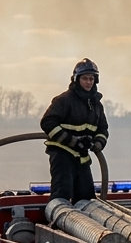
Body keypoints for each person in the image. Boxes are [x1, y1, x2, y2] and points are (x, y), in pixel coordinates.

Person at [40, 57, 109, 203]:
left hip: (82, 157)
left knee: (86, 197)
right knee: (62, 194)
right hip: (62, 155)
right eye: (85, 78)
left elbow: (103, 129)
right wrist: (72, 141)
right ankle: (57, 221)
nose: (89, 82)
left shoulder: (96, 105)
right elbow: (48, 123)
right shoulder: (64, 100)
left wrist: (97, 144)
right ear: (77, 79)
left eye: (91, 79)